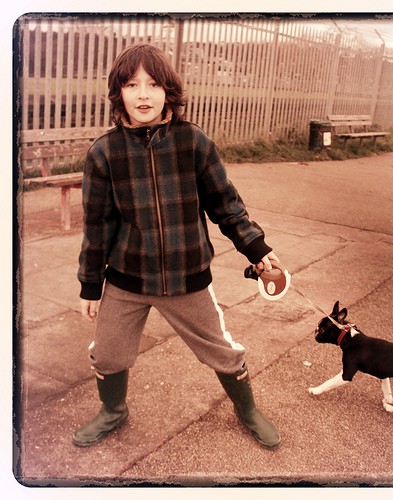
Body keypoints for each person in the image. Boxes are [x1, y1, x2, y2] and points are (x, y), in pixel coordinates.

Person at [73, 43, 281, 450]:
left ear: (169, 91)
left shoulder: (193, 142)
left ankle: (247, 409)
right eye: (132, 85)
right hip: (127, 278)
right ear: (118, 93)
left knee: (222, 350)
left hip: (188, 277)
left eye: (153, 84)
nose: (143, 95)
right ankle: (113, 411)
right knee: (107, 354)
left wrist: (255, 247)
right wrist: (89, 285)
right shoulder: (104, 153)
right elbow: (97, 227)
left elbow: (225, 204)